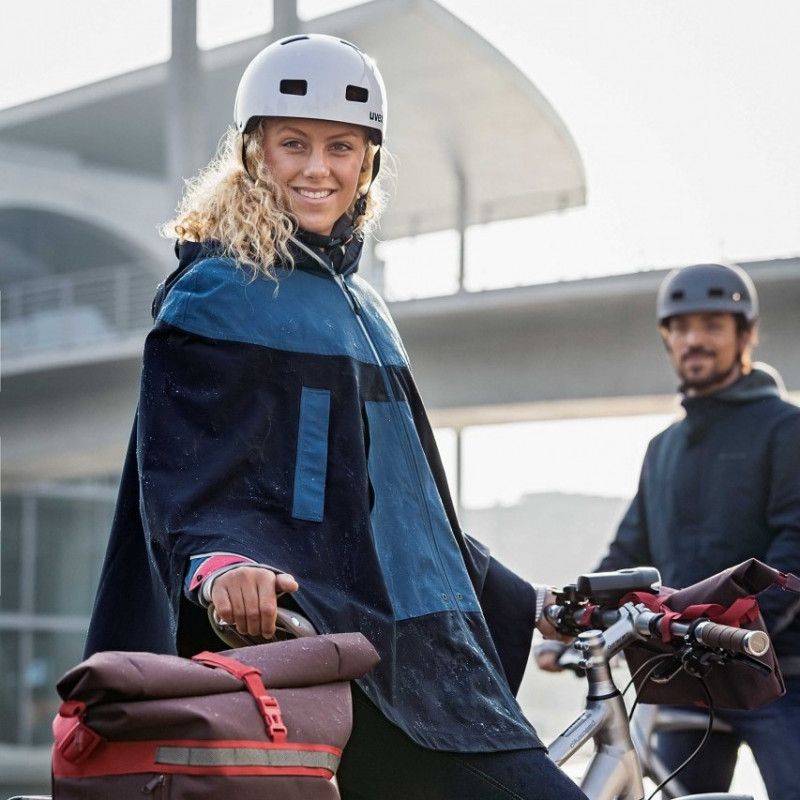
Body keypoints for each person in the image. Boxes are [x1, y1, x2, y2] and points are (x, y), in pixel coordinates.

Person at [84, 34, 586, 800]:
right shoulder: (220, 292)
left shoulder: (364, 309)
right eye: (294, 143)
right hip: (331, 666)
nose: (318, 168)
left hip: (428, 672)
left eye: (341, 147)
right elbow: (187, 473)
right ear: (253, 153)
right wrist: (224, 565)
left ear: (369, 164)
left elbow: (401, 515)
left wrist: (536, 604)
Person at [540, 262, 800, 798]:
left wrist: (735, 633)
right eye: (680, 328)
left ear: (745, 334)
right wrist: (574, 613)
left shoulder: (786, 429)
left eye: (712, 325)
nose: (693, 339)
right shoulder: (664, 449)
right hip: (688, 676)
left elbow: (794, 544)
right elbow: (629, 550)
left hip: (779, 676)